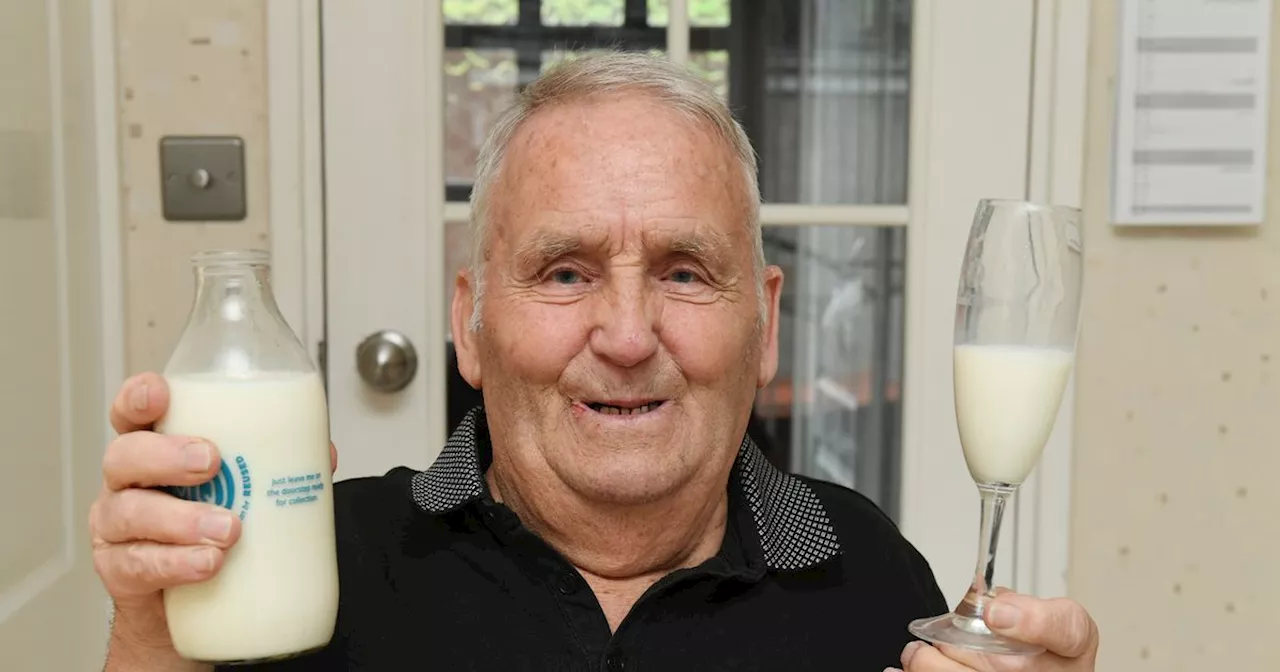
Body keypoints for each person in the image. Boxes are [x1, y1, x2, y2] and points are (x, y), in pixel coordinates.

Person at [90, 51, 1098, 671]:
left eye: (685, 273)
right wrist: (148, 633)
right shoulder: (317, 562)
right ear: (469, 322)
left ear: (766, 324)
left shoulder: (868, 574)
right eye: (565, 273)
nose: (624, 335)